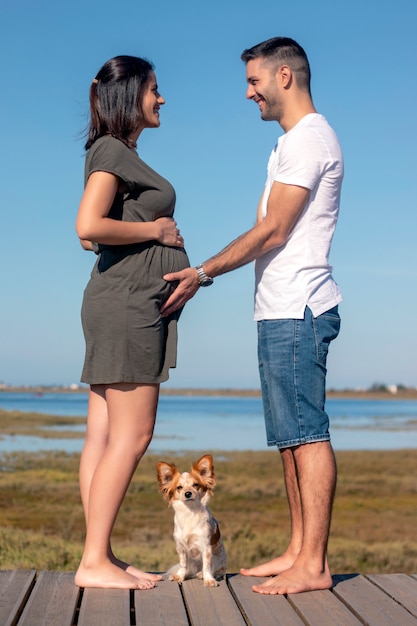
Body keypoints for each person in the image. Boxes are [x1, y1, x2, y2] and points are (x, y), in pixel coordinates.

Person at [161, 37, 343, 595]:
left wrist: (204, 272)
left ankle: (312, 564)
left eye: (253, 81)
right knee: (290, 438)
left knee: (307, 435)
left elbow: (274, 229)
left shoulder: (310, 139)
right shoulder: (288, 143)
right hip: (279, 310)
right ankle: (296, 549)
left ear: (284, 76)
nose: (248, 93)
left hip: (300, 305)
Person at [75, 55, 189, 589]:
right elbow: (86, 224)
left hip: (115, 299)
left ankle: (100, 555)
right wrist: (158, 233)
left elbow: (90, 236)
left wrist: (146, 234)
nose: (162, 98)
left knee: (102, 433)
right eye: (155, 89)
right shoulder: (112, 151)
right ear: (131, 95)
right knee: (135, 433)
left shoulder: (117, 154)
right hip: (126, 307)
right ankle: (94, 561)